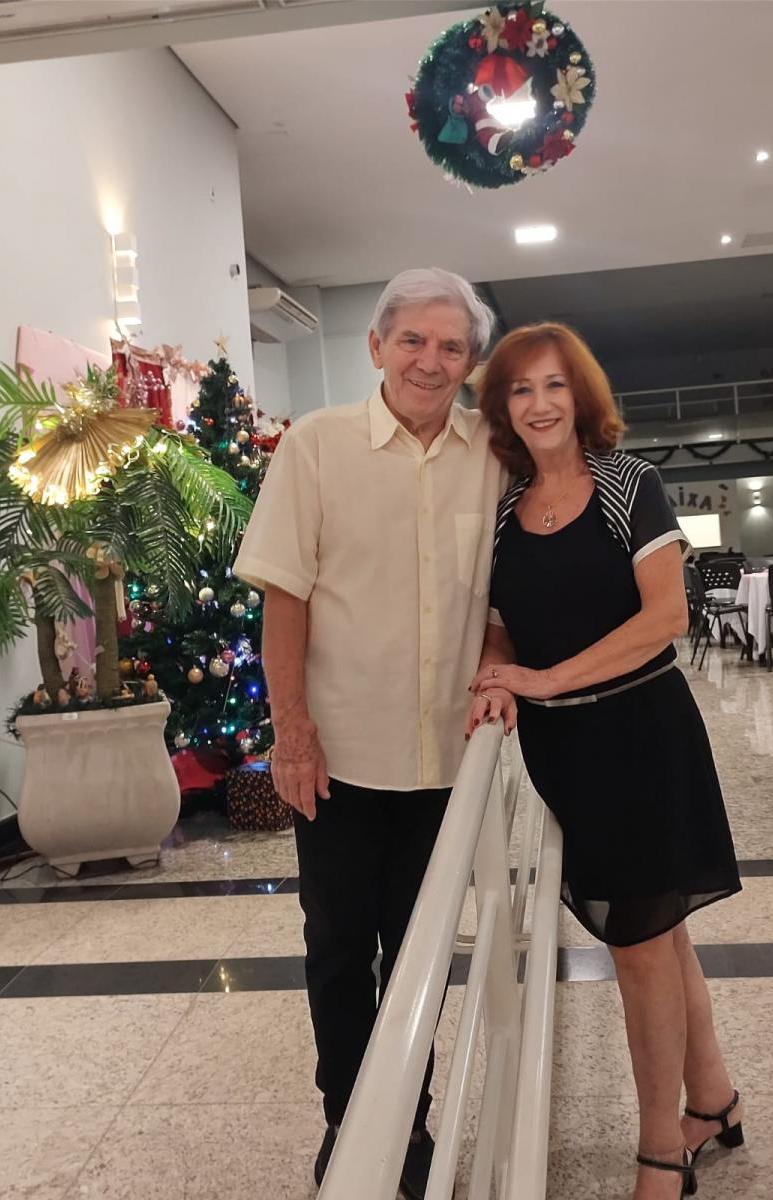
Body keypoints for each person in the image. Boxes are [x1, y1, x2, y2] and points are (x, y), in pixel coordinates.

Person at [234, 268, 513, 1197]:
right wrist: (292, 732)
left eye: (451, 346)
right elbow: (285, 597)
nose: (431, 361)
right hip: (339, 760)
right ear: (377, 347)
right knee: (339, 950)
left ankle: (407, 1124)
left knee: (421, 954)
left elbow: (503, 591)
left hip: (445, 761)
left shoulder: (494, 456)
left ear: (470, 362)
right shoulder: (316, 446)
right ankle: (346, 1123)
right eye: (413, 341)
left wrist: (496, 656)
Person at [467, 323, 742, 1200]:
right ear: (503, 408)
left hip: (641, 738)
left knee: (639, 951)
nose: (539, 404)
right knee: (658, 935)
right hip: (564, 752)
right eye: (520, 389)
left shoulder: (630, 483)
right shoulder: (506, 509)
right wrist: (497, 672)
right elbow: (504, 618)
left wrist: (546, 677)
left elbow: (666, 618)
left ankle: (662, 1146)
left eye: (554, 385)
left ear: (580, 395)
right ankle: (713, 1099)